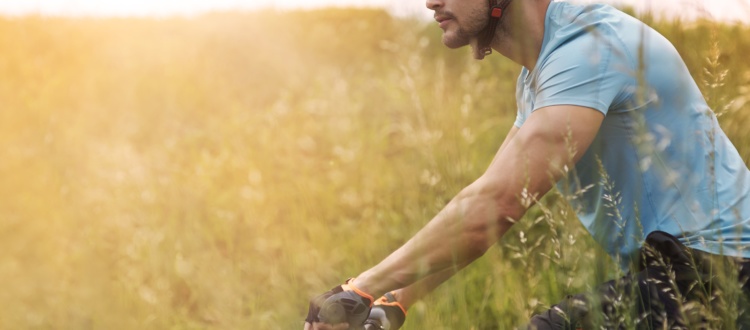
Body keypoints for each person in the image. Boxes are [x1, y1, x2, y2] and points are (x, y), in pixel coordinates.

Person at [304, 0, 750, 328]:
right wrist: (396, 298)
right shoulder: (540, 74)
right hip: (680, 270)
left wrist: (357, 289)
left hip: (724, 271)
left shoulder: (590, 48)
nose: (430, 2)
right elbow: (496, 200)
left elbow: (493, 206)